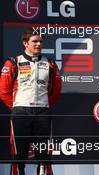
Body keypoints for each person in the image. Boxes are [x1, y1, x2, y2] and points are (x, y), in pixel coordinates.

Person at [0, 27, 62, 175]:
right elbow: (3, 91)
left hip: (42, 113)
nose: (38, 44)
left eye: (41, 41)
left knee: (44, 154)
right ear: (25, 43)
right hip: (21, 112)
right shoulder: (13, 62)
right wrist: (17, 107)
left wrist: (43, 105)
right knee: (18, 154)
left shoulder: (50, 64)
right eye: (34, 41)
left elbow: (56, 91)